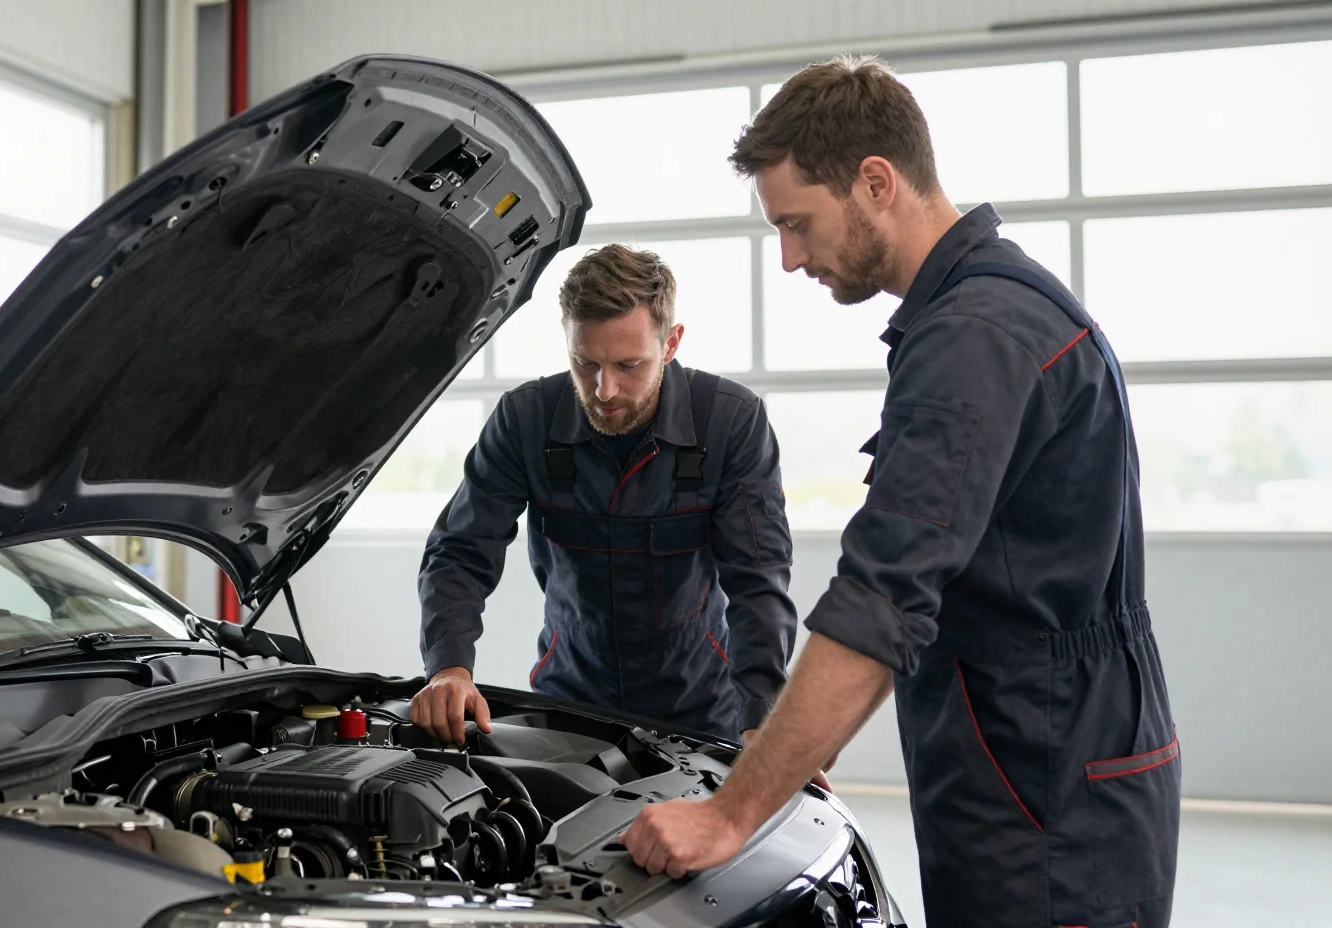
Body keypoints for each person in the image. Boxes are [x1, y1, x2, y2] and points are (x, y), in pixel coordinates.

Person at [622, 55, 1180, 928]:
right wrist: (779, 745)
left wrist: (732, 813)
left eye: (799, 224)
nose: (791, 258)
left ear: (876, 181)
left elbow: (883, 598)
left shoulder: (973, 339)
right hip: (1050, 755)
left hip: (1043, 785)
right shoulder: (1000, 300)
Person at [411, 244, 800, 745]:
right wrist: (450, 669)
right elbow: (460, 551)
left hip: (704, 711)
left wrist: (762, 717)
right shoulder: (525, 420)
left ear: (672, 343)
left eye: (629, 365)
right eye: (585, 363)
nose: (604, 390)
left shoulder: (730, 422)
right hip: (568, 706)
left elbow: (758, 581)